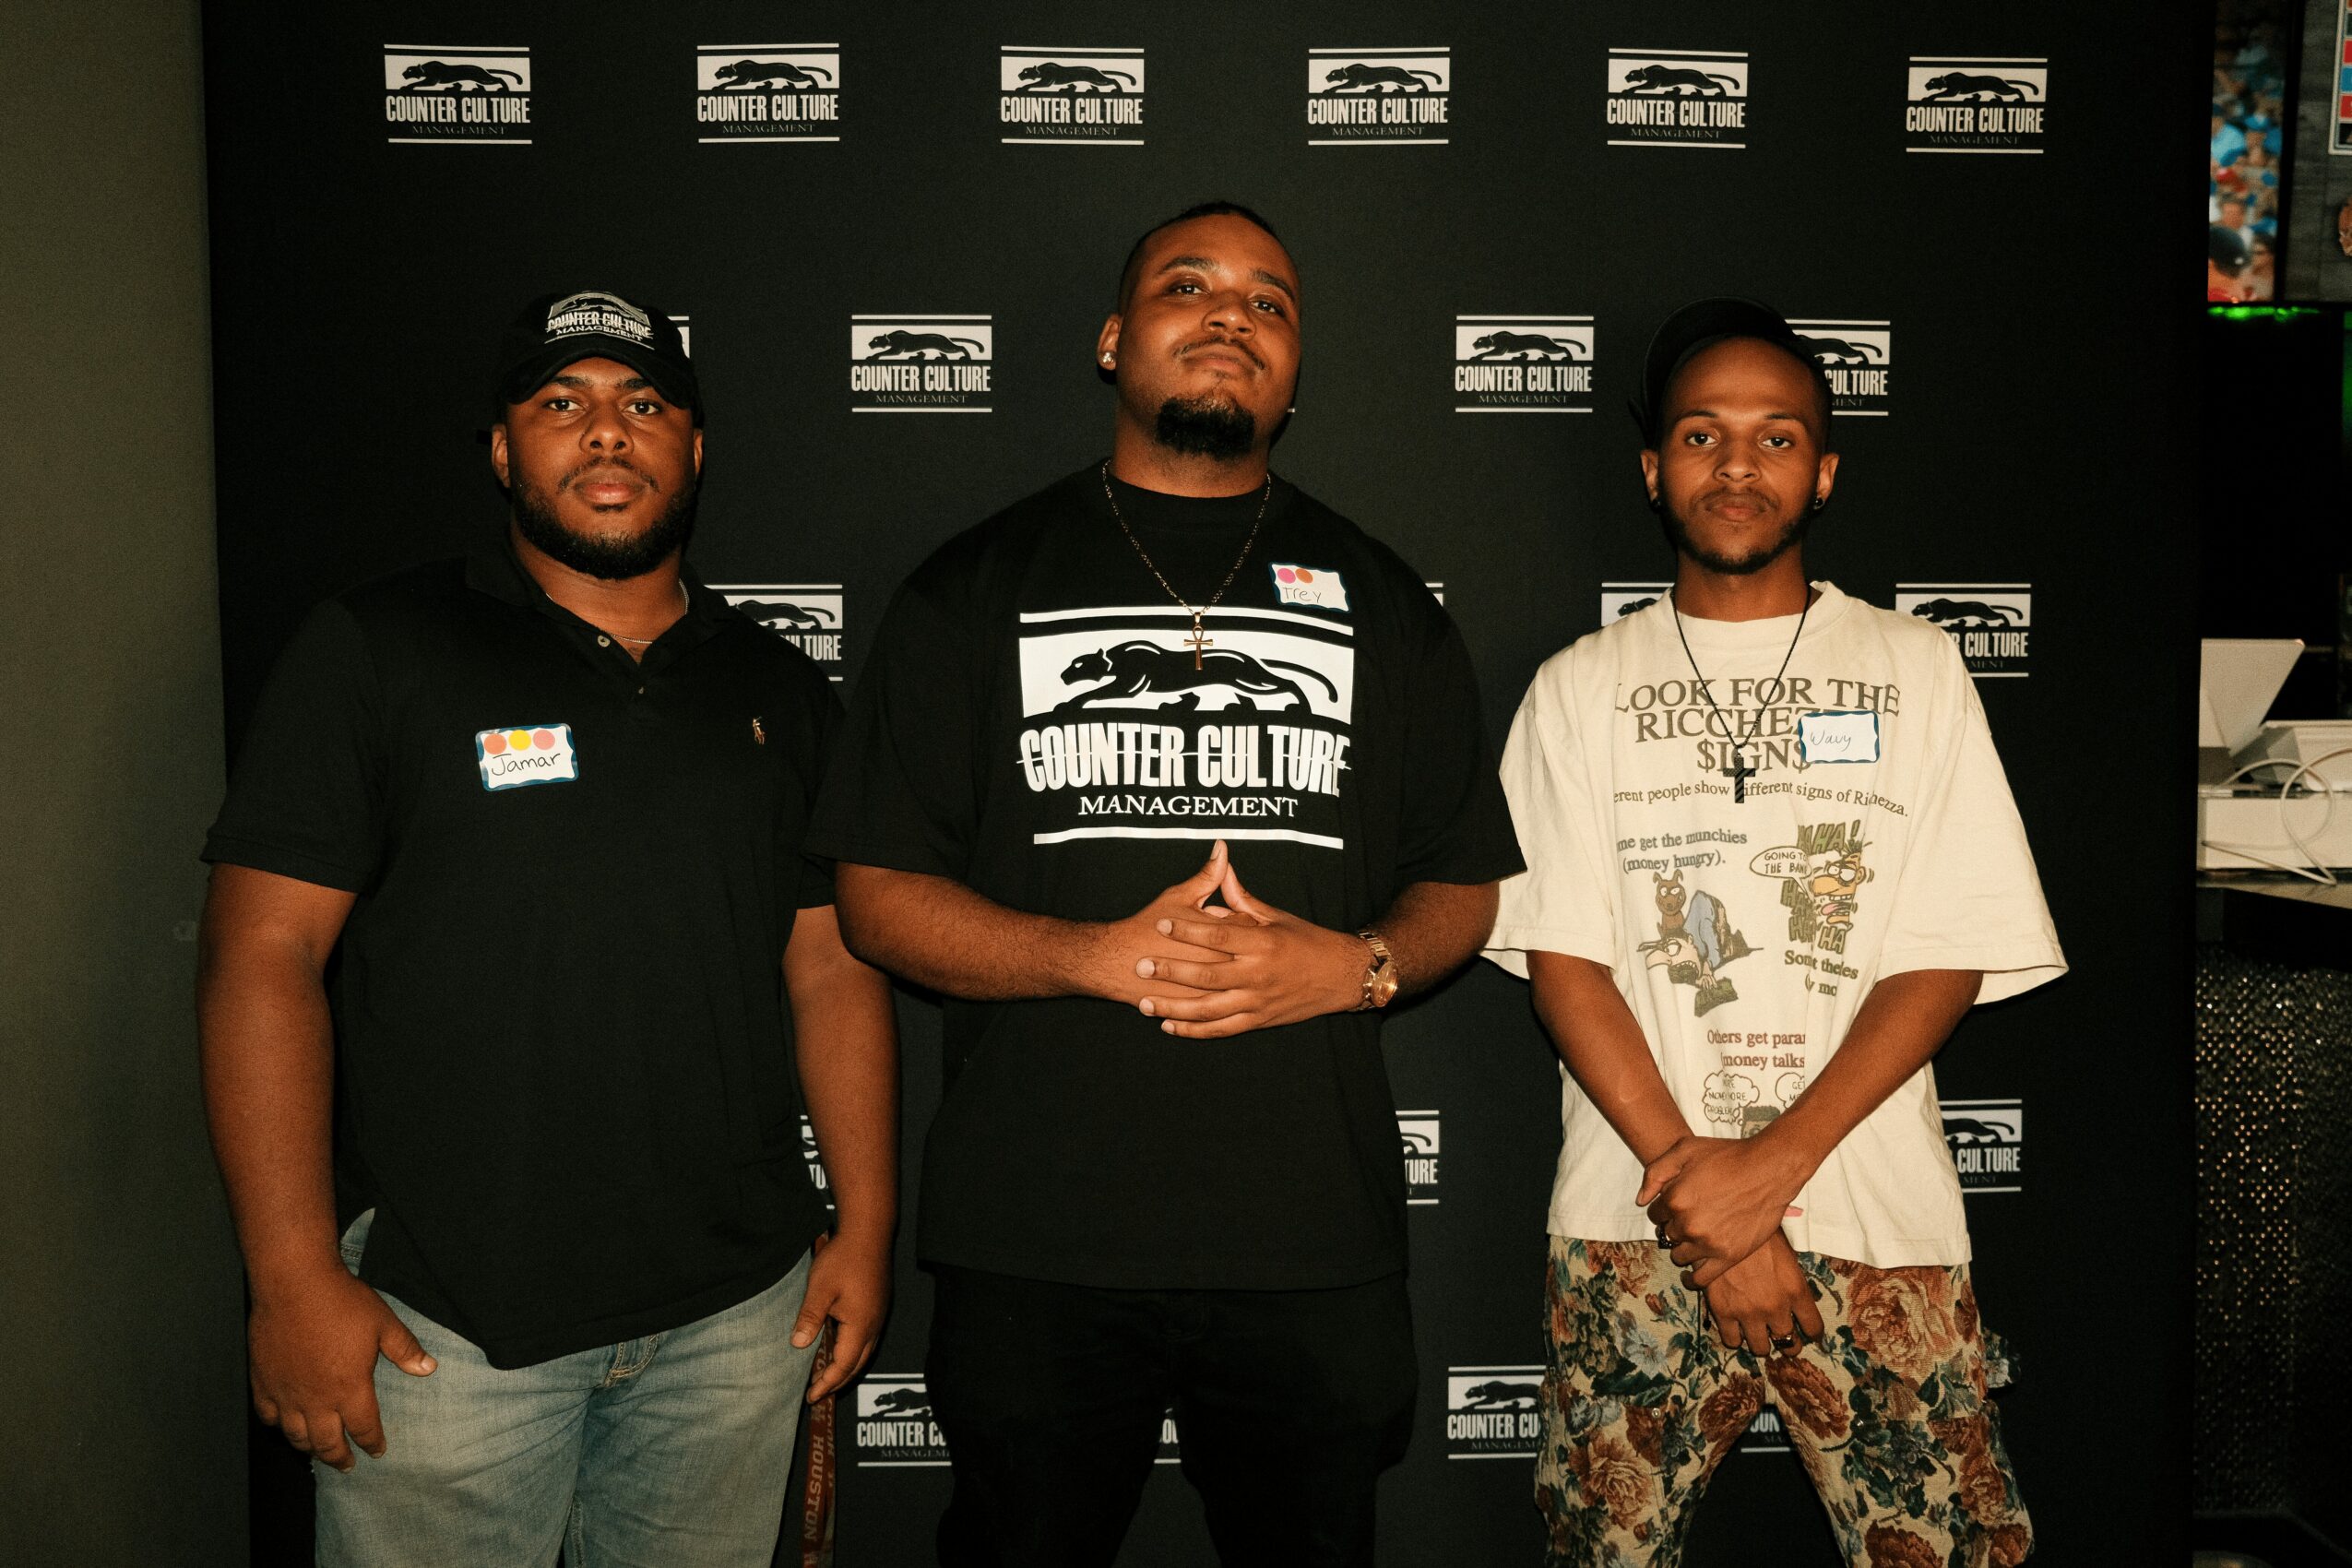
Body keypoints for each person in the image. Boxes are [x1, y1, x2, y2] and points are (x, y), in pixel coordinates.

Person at [808, 202, 1523, 1567]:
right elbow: (878, 897)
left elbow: (1460, 884)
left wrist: (1355, 967)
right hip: (1039, 1238)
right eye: (1185, 286)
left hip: (1310, 1240)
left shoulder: (1383, 603)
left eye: (1269, 302)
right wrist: (1088, 956)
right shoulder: (970, 590)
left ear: (1295, 373)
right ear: (1111, 340)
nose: (1227, 316)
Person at [197, 289, 899, 1567]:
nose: (607, 434)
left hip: (735, 1321)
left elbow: (829, 969)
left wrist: (862, 1223)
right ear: (504, 451)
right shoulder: (382, 646)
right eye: (560, 404)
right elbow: (263, 955)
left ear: (694, 450)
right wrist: (293, 1275)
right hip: (446, 1325)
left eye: (644, 405)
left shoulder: (779, 689)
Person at [1482, 298, 2063, 1567]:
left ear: (1825, 469)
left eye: (1776, 436)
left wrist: (1766, 1174)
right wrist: (1711, 1202)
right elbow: (1562, 964)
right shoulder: (1578, 690)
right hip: (1635, 1222)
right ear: (1651, 469)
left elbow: (1944, 948)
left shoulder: (1914, 670)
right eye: (1701, 434)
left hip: (1875, 1219)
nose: (1737, 465)